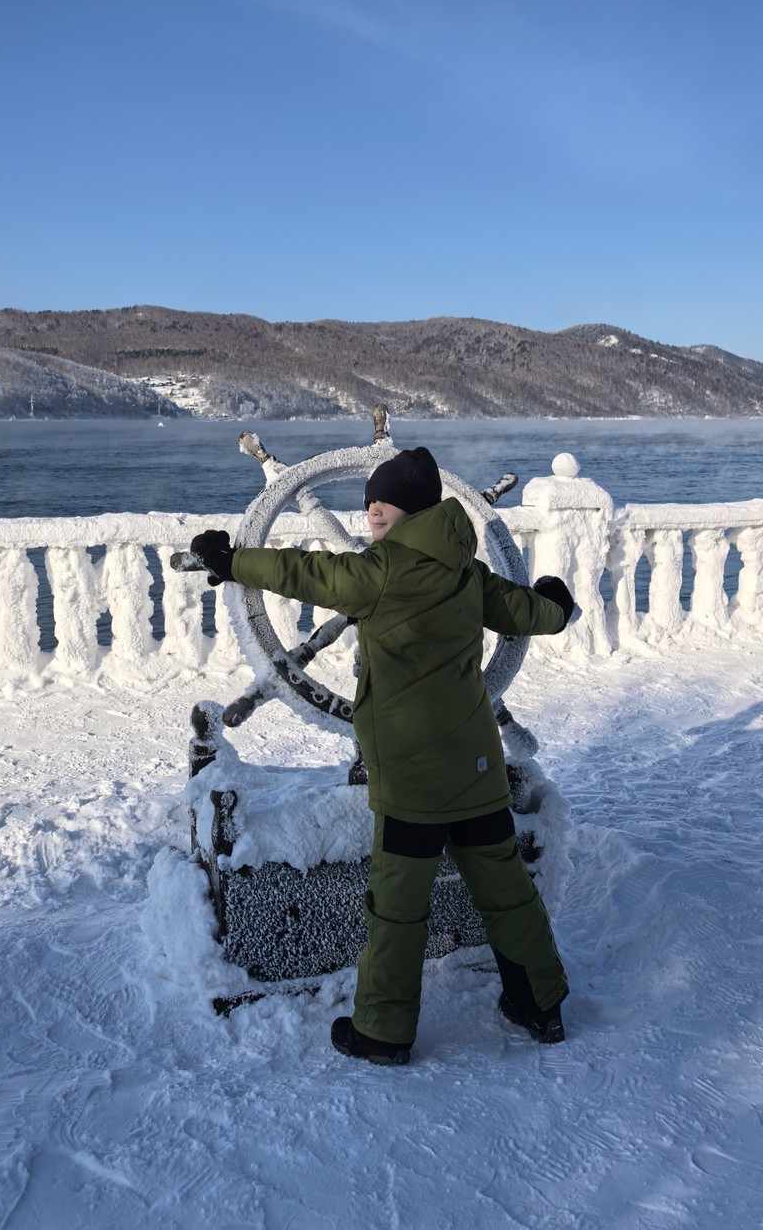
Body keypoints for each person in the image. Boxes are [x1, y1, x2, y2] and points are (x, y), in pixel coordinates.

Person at [190, 446, 575, 1066]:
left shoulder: (379, 572)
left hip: (412, 779)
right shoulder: (468, 573)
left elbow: (304, 572)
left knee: (396, 908)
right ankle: (541, 1004)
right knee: (507, 891)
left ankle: (383, 1031)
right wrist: (557, 602)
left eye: (382, 503)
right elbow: (528, 612)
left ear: (411, 511)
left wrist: (231, 560)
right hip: (476, 770)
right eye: (369, 502)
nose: (371, 512)